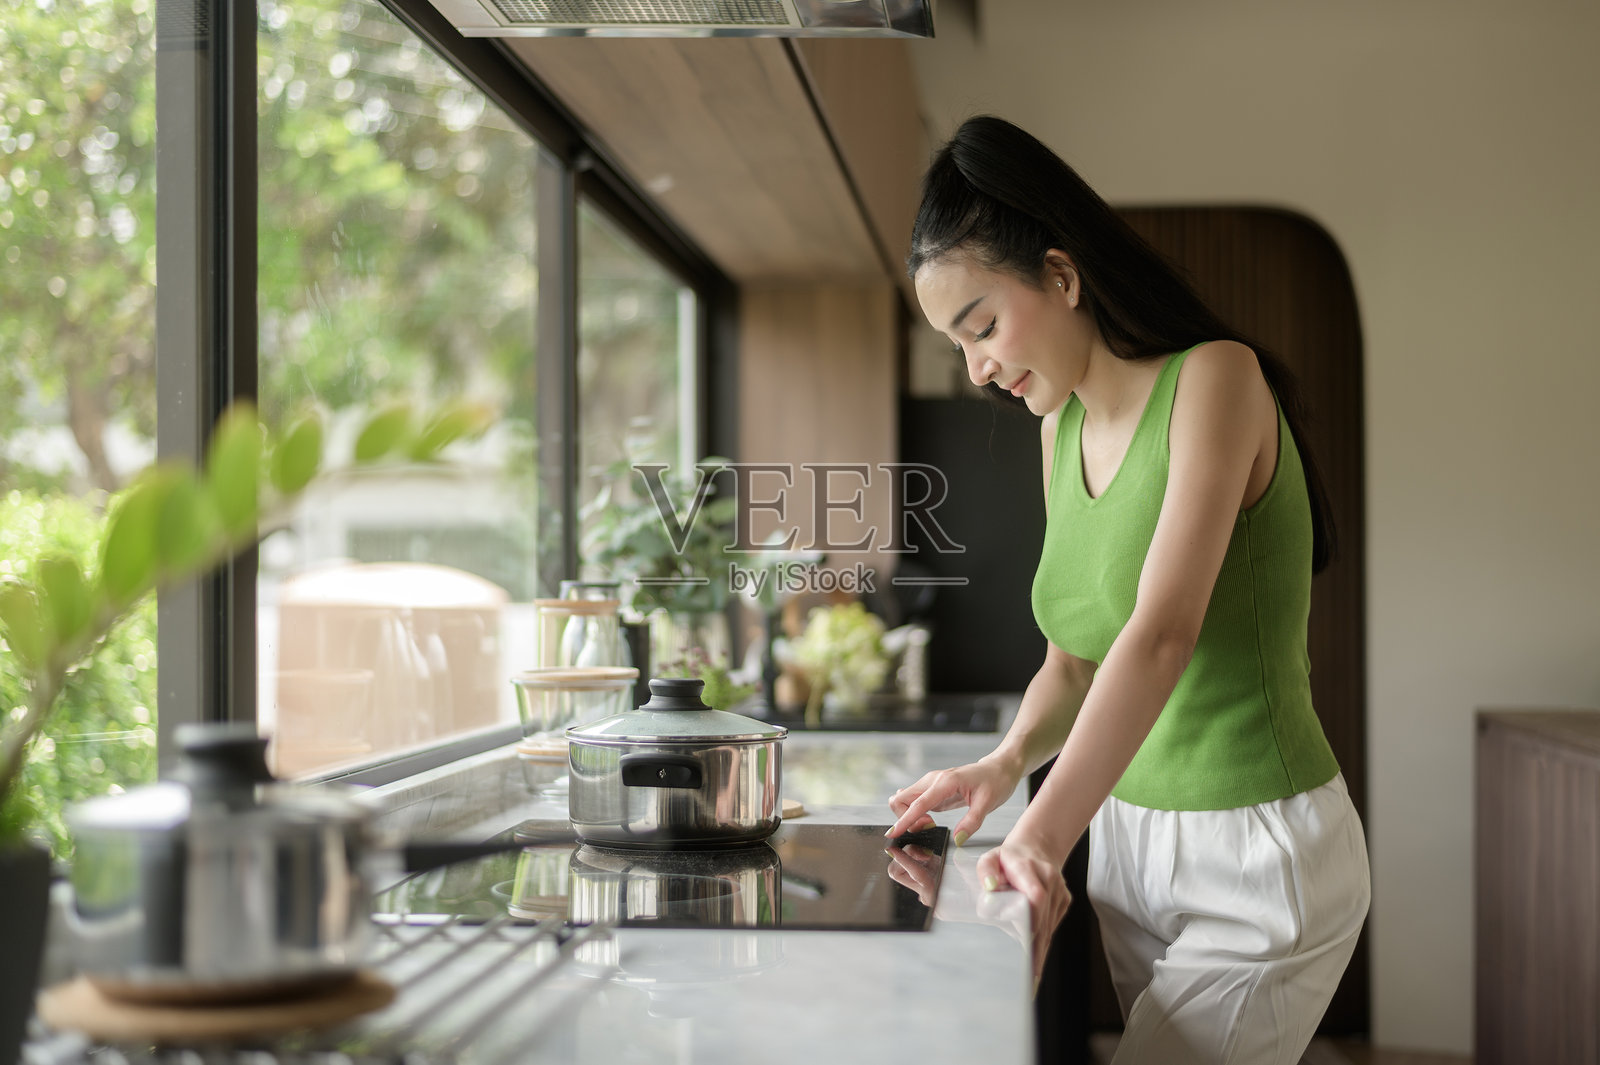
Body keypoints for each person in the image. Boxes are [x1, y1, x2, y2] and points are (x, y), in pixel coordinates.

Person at [884, 115, 1371, 1065]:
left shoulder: (1216, 379)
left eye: (983, 327)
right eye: (957, 345)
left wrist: (1038, 834)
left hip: (1257, 852)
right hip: (1129, 844)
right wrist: (1004, 763)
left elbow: (1160, 635)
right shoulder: (1056, 432)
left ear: (1061, 276)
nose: (977, 368)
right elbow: (1073, 664)